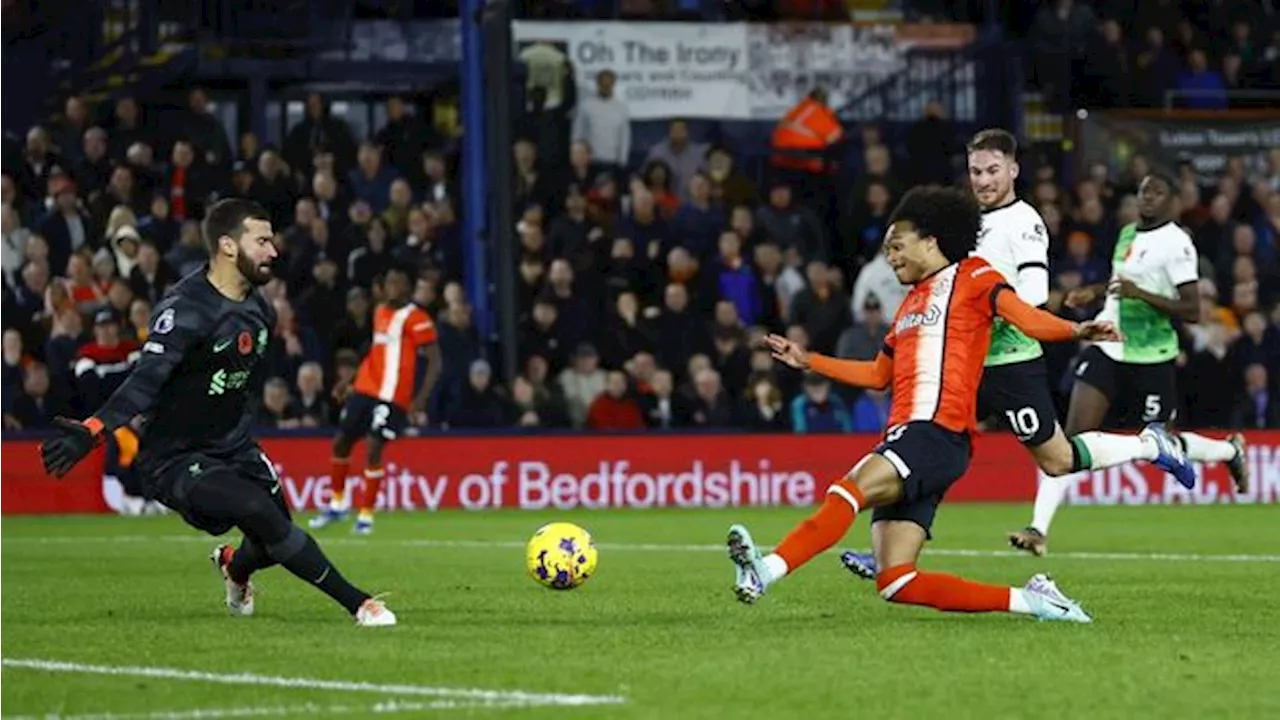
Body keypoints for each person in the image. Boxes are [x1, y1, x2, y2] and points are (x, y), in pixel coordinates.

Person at [725, 186, 1180, 623]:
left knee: (847, 491)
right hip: (920, 438)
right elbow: (877, 376)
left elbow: (1024, 317)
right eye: (887, 251)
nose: (892, 256)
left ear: (930, 240)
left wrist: (1074, 330)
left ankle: (765, 571)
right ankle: (1034, 601)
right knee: (896, 581)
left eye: (898, 245)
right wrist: (810, 361)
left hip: (933, 431)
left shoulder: (975, 276)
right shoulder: (908, 307)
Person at [841, 130, 1195, 576]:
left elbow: (1032, 297)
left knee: (1057, 459)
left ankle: (1149, 444)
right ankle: (891, 554)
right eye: (976, 171)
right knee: (927, 445)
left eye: (993, 171)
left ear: (1013, 170)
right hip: (964, 361)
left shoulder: (1024, 223)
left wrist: (984, 308)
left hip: (1010, 362)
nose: (984, 180)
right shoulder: (965, 216)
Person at [39, 198, 396, 627]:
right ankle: (360, 604)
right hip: (176, 457)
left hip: (235, 445)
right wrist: (93, 429)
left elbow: (241, 383)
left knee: (273, 536)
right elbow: (144, 381)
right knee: (256, 511)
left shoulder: (260, 309)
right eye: (262, 241)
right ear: (228, 246)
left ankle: (234, 567)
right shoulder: (184, 309)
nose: (273, 251)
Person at [1004, 173, 1248, 555]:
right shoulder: (1128, 233)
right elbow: (1121, 283)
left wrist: (1142, 294)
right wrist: (1095, 291)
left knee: (1163, 444)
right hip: (1108, 345)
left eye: (1157, 191)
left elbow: (1193, 310)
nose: (1147, 197)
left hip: (1152, 356)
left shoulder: (1178, 243)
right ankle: (1038, 529)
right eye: (1143, 190)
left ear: (1172, 201)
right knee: (1070, 439)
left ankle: (1230, 452)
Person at [310, 264, 441, 535]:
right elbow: (375, 352)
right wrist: (349, 381)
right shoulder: (380, 312)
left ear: (408, 287)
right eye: (389, 283)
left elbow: (435, 362)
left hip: (393, 396)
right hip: (365, 389)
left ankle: (366, 516)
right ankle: (337, 504)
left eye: (398, 283)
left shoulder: (417, 318)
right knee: (341, 441)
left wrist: (420, 400)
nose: (392, 288)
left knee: (373, 447)